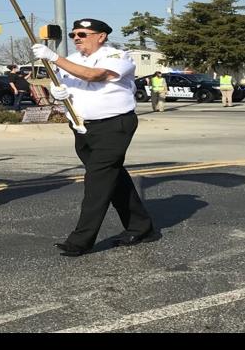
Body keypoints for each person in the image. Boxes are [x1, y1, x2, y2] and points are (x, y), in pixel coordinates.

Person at [33, 18, 157, 256]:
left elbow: (95, 75)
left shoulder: (117, 57)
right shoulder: (72, 60)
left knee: (96, 182)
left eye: (82, 34)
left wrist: (54, 58)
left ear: (101, 36)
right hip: (82, 127)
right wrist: (59, 93)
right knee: (114, 178)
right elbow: (69, 83)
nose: (76, 38)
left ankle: (80, 240)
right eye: (74, 35)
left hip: (114, 126)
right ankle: (141, 227)